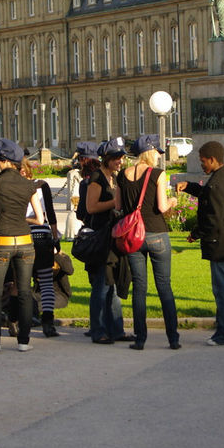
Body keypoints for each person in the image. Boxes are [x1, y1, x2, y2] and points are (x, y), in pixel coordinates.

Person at [0, 139, 44, 354]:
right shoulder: (29, 184)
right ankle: (24, 341)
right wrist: (24, 222)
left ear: (5, 161)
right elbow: (40, 219)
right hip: (25, 242)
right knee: (24, 292)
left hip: (2, 242)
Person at [176, 141, 224, 346]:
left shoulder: (216, 184)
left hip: (221, 244)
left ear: (213, 160)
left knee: (223, 290)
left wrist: (195, 234)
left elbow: (212, 218)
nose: (201, 164)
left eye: (203, 161)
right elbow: (208, 196)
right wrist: (190, 186)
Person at [119, 134, 180, 350]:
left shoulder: (122, 175)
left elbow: (118, 205)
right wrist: (173, 200)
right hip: (156, 234)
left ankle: (140, 338)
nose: (158, 156)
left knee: (139, 288)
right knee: (164, 286)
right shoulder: (157, 174)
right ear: (150, 152)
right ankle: (173, 338)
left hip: (133, 237)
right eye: (157, 152)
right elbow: (162, 207)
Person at [84, 137, 132, 345]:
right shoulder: (97, 178)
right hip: (100, 235)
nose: (120, 161)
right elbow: (91, 207)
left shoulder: (113, 177)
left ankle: (116, 329)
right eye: (116, 158)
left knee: (112, 283)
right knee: (102, 284)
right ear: (107, 158)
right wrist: (115, 202)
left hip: (112, 234)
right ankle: (99, 329)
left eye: (121, 157)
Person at [20, 158, 61, 338]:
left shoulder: (13, 187)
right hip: (42, 235)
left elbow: (50, 213)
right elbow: (49, 213)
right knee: (45, 282)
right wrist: (54, 236)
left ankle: (28, 319)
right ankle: (47, 321)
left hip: (25, 234)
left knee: (24, 282)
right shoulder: (41, 186)